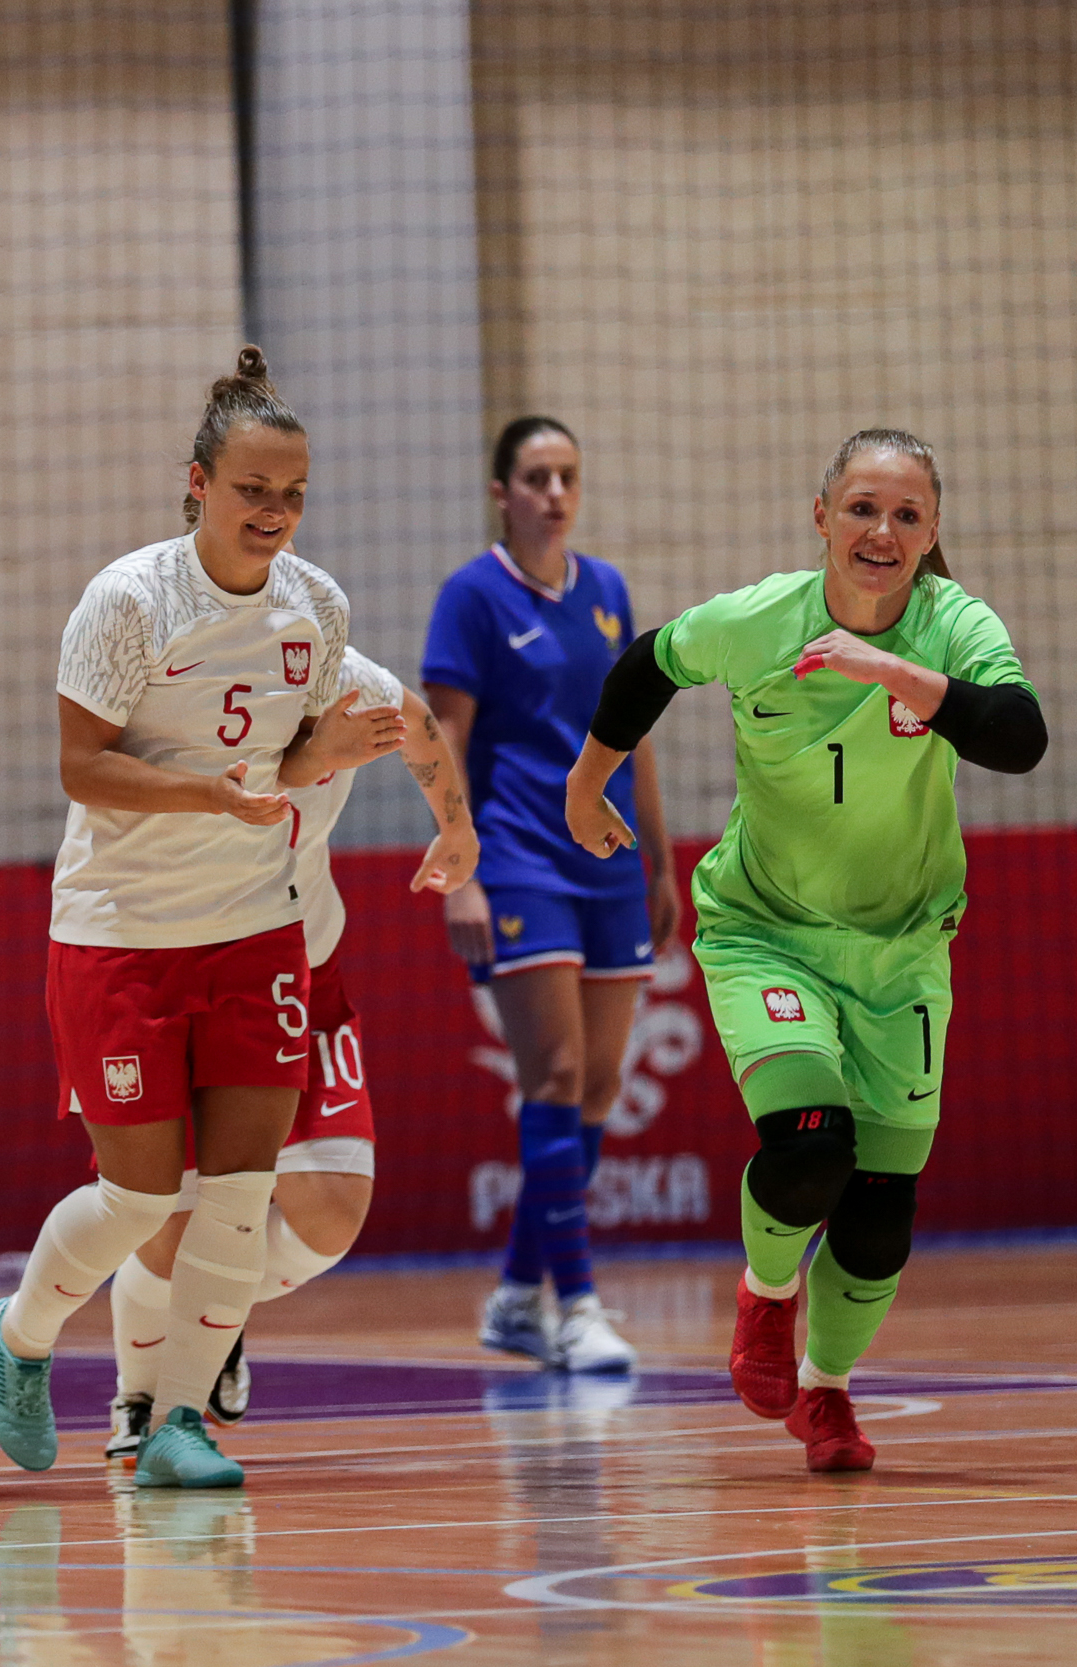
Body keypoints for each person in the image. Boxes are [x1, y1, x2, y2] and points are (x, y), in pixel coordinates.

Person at [565, 428, 1045, 1470]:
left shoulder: (953, 625)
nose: (882, 531)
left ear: (931, 530)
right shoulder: (760, 621)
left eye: (906, 514)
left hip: (902, 951)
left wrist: (894, 672)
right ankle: (765, 1291)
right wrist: (585, 781)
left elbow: (1019, 735)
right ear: (821, 516)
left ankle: (826, 1391)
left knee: (879, 1216)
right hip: (765, 932)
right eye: (862, 507)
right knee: (811, 1148)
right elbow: (647, 663)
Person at [0, 346, 401, 1491]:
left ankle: (177, 1420)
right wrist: (208, 793)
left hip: (254, 927)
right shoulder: (128, 600)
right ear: (198, 483)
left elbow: (298, 755)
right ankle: (20, 1332)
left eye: (293, 492)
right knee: (138, 1196)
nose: (274, 512)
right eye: (252, 489)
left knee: (236, 1191)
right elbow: (80, 766)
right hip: (121, 929)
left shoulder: (316, 605)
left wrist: (333, 753)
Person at [104, 645, 477, 1459]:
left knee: (333, 1210)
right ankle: (138, 1395)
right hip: (188, 966)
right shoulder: (183, 674)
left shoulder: (342, 673)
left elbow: (418, 722)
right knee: (168, 1225)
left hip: (304, 972)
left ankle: (221, 1307)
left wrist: (455, 826)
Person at [422, 416, 680, 1372]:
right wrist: (461, 872)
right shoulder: (472, 596)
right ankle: (575, 1305)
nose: (555, 492)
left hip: (607, 863)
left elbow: (632, 736)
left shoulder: (606, 590)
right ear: (502, 492)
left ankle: (515, 1297)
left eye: (568, 474)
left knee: (600, 1087)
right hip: (520, 857)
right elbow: (443, 740)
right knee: (558, 1074)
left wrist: (662, 864)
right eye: (536, 476)